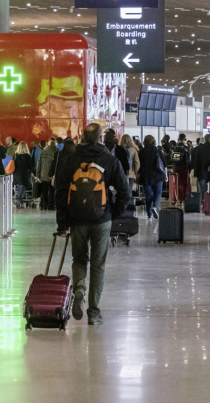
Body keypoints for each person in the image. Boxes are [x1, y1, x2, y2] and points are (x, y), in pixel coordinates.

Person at [55, 123, 129, 325]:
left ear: (83, 138)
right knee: (98, 265)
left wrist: (62, 223)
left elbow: (60, 193)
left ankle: (79, 288)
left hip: (77, 220)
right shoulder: (109, 160)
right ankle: (94, 312)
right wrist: (112, 213)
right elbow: (125, 192)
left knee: (79, 260)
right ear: (100, 138)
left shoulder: (71, 160)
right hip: (101, 219)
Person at [137, 135, 167, 219]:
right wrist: (166, 175)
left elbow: (139, 164)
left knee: (149, 194)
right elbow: (164, 163)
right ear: (154, 141)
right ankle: (154, 206)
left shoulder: (142, 151)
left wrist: (138, 174)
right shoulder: (157, 150)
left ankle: (149, 214)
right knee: (158, 192)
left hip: (146, 175)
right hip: (158, 175)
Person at [191, 133, 210, 201]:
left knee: (203, 189)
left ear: (204, 140)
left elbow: (196, 162)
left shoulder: (199, 149)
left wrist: (196, 173)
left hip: (201, 172)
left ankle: (203, 203)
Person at [170, 133, 191, 208]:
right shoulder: (186, 147)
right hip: (184, 168)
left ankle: (177, 199)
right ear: (185, 139)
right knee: (184, 184)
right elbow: (188, 159)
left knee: (177, 184)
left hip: (175, 168)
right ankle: (183, 200)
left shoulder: (174, 147)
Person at [37, 137, 57, 210]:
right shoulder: (57, 152)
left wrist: (37, 175)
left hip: (43, 174)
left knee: (44, 191)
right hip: (52, 176)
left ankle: (44, 204)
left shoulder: (43, 151)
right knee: (52, 191)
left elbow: (39, 164)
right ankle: (50, 205)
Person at [13, 141, 33, 208]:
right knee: (22, 188)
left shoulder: (15, 155)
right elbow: (30, 167)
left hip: (16, 174)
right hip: (24, 174)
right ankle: (19, 201)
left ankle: (20, 202)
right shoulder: (27, 156)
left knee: (19, 188)